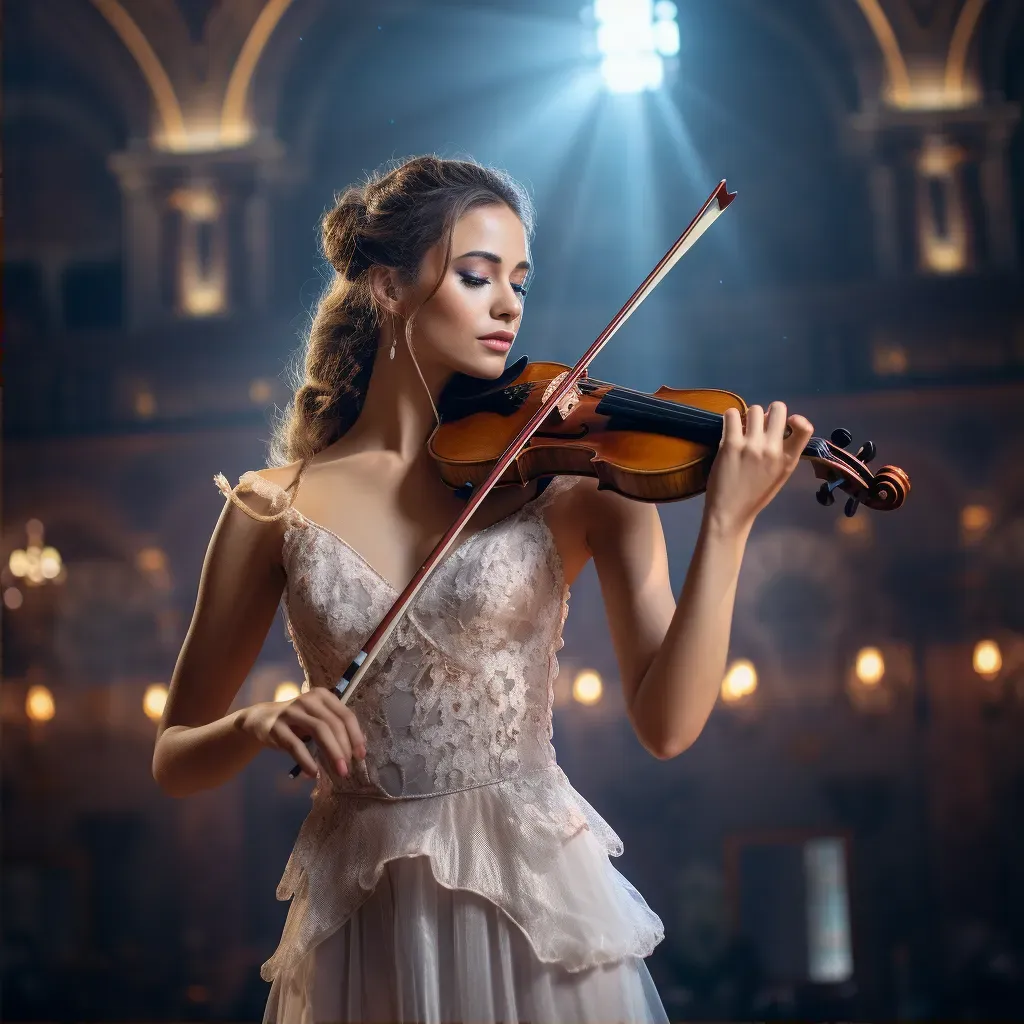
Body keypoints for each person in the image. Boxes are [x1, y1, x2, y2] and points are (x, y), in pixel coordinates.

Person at [152, 154, 814, 1023]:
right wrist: (256, 721)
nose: (509, 305)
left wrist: (726, 525)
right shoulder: (271, 506)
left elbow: (668, 725)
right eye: (476, 276)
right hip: (364, 922)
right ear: (388, 288)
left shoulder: (578, 484)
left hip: (540, 911)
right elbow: (175, 758)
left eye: (520, 282)